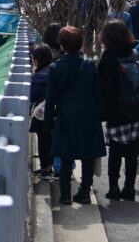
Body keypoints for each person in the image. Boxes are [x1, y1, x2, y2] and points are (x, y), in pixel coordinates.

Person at [45, 26, 105, 204]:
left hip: (66, 115)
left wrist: (48, 124)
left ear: (62, 46)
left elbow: (50, 100)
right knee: (87, 156)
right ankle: (84, 192)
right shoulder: (88, 66)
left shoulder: (56, 68)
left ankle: (64, 195)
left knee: (65, 157)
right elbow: (98, 93)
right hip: (89, 115)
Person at [98, 20, 139, 200]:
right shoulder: (136, 53)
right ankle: (130, 187)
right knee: (132, 153)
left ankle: (113, 187)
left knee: (115, 151)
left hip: (116, 110)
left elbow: (103, 89)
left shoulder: (108, 58)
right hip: (136, 109)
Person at [30, 44, 56, 179]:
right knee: (52, 140)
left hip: (40, 115)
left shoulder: (38, 77)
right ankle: (52, 166)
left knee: (42, 140)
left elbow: (32, 96)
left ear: (36, 61)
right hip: (55, 113)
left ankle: (44, 167)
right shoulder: (55, 72)